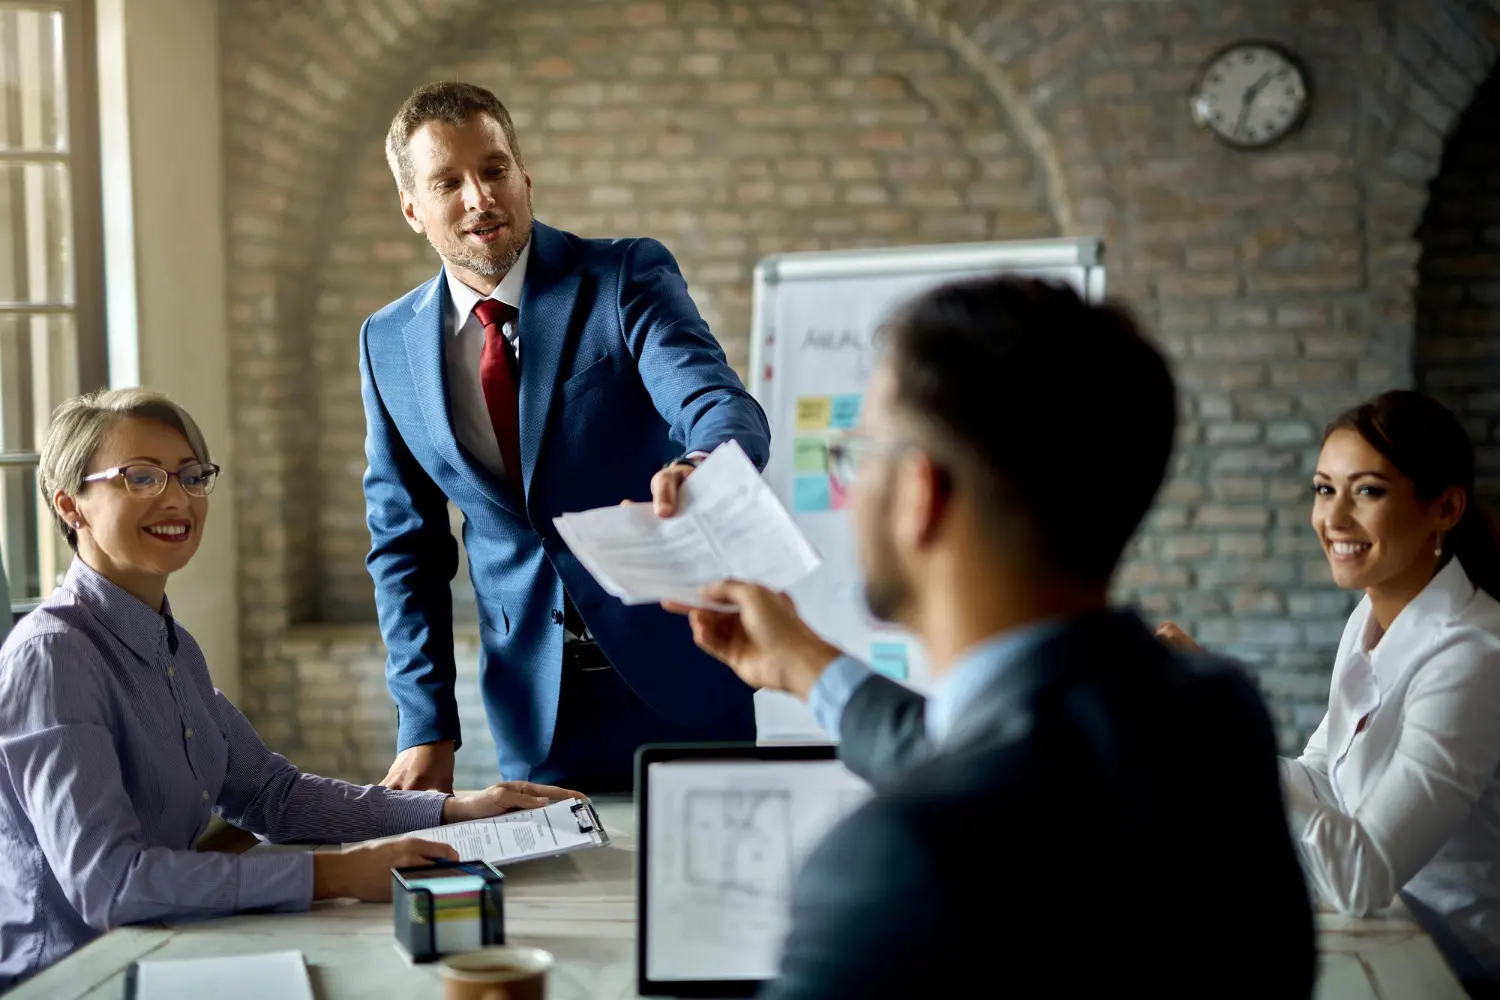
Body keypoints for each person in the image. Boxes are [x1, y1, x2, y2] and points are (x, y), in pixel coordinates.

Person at [669, 276, 1315, 998]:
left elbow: (973, 782)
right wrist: (805, 665)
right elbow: (986, 747)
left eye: (856, 455)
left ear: (920, 494)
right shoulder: (1215, 713)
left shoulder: (894, 865)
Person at [0, 389, 581, 989]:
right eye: (140, 478)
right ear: (71, 506)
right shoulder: (53, 657)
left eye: (191, 476)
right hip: (72, 979)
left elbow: (272, 796)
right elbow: (111, 885)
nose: (177, 498)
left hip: (163, 952)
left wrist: (454, 809)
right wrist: (335, 876)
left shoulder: (173, 645)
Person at [362, 81, 770, 794]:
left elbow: (715, 401)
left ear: (524, 176)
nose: (479, 198)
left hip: (681, 677)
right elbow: (407, 548)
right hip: (536, 712)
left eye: (493, 170)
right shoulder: (387, 342)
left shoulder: (623, 278)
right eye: (447, 182)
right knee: (561, 905)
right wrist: (425, 721)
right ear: (412, 210)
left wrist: (702, 463)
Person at [1158, 390, 1500, 990]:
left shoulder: (1475, 656)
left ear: (1444, 509)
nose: (1334, 519)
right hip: (1387, 932)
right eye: (1324, 489)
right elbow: (1324, 777)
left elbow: (1364, 876)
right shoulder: (1370, 616)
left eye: (1367, 491)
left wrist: (1218, 721)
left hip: (1457, 962)